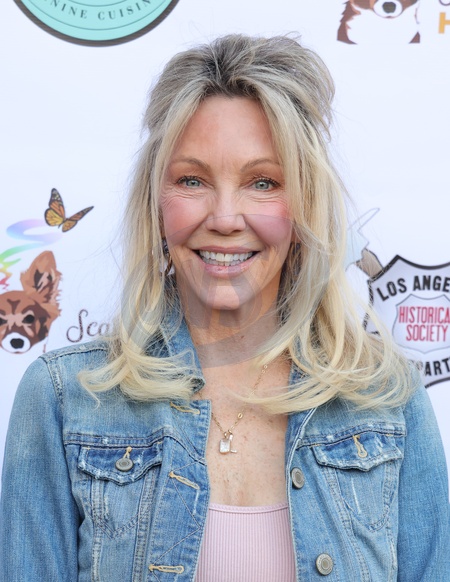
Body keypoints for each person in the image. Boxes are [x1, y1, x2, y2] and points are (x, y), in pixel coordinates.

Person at [1, 34, 448, 582]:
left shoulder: (387, 398)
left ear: (304, 204)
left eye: (263, 182)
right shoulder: (63, 398)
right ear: (156, 204)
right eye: (192, 180)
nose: (225, 217)